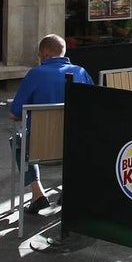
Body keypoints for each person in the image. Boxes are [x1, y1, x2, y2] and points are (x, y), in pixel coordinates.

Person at [9, 34, 93, 213]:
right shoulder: (80, 72)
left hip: (40, 147)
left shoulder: (35, 74)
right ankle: (69, 188)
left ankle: (37, 193)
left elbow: (14, 113)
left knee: (16, 141)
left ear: (45, 54)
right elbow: (93, 104)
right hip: (74, 145)